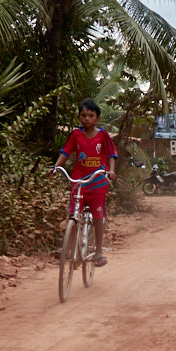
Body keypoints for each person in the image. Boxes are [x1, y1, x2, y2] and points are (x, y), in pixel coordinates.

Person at [49, 98, 118, 267]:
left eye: (91, 115)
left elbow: (111, 155)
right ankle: (71, 248)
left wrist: (111, 171)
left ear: (97, 118)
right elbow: (65, 152)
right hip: (78, 181)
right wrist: (56, 167)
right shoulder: (76, 134)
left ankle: (99, 251)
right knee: (73, 214)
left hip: (98, 181)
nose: (87, 118)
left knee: (97, 216)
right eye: (83, 115)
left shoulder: (103, 135)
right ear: (79, 117)